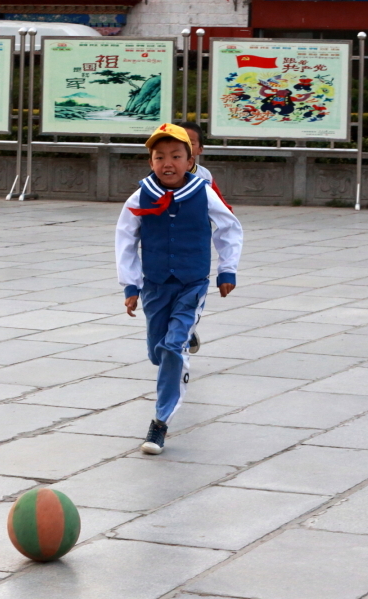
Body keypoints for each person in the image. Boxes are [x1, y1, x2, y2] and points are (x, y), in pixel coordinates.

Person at [116, 123, 243, 455]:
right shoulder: (141, 194)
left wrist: (226, 268)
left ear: (191, 160)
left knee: (172, 349)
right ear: (150, 161)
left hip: (192, 284)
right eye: (159, 157)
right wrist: (130, 283)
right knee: (157, 353)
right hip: (155, 286)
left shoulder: (203, 191)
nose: (167, 163)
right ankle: (180, 342)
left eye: (175, 156)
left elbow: (229, 227)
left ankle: (159, 423)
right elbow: (125, 239)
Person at [177, 121, 234, 353]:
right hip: (163, 248)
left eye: (190, 144)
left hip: (196, 246)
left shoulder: (205, 176)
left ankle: (186, 330)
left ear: (199, 150)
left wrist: (227, 220)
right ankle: (179, 332)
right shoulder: (159, 175)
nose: (185, 149)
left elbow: (222, 207)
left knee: (192, 294)